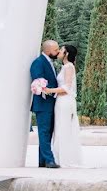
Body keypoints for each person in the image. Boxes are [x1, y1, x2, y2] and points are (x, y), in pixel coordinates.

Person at [46, 44, 84, 167]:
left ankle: (65, 158)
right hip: (60, 101)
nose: (59, 52)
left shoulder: (69, 67)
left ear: (66, 53)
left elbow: (67, 87)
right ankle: (59, 157)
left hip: (65, 101)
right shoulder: (64, 67)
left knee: (64, 127)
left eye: (61, 50)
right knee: (59, 127)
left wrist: (49, 90)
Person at [30, 40, 60, 168]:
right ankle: (49, 160)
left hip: (51, 104)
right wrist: (49, 91)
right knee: (44, 132)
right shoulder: (38, 63)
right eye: (56, 50)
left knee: (48, 132)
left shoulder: (50, 62)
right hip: (43, 104)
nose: (58, 52)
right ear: (48, 50)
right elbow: (38, 81)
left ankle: (42, 161)